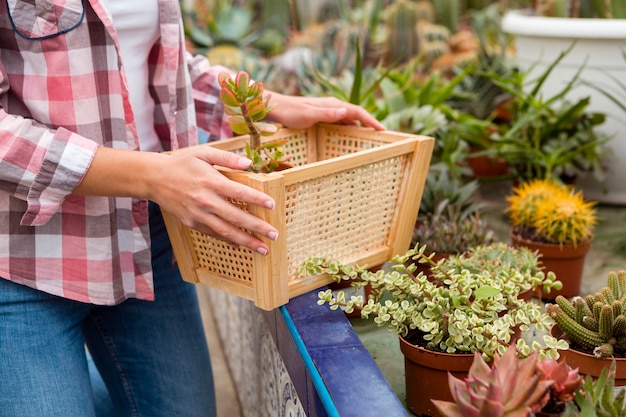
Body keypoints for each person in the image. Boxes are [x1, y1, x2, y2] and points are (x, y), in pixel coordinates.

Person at [0, 1, 385, 416]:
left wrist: (263, 104)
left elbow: (151, 59)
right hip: (26, 260)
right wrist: (154, 175)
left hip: (148, 236)